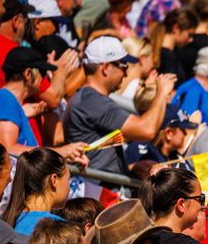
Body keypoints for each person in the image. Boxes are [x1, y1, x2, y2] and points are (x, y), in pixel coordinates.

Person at [65, 36, 176, 177]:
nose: (126, 73)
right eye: (123, 66)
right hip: (99, 192)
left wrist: (131, 168)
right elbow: (147, 130)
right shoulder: (93, 102)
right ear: (105, 68)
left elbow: (99, 158)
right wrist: (161, 92)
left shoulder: (90, 99)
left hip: (101, 187)